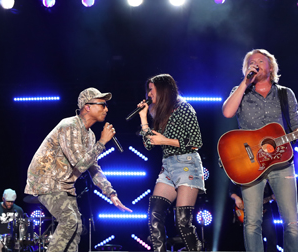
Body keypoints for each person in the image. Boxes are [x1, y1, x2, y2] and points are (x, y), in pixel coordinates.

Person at [222, 49, 298, 252]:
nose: (255, 64)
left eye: (260, 61)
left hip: (282, 164)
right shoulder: (241, 92)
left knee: (292, 221)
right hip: (251, 165)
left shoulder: (285, 93)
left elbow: (295, 126)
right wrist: (244, 83)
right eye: (251, 62)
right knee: (252, 222)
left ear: (270, 67)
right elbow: (227, 112)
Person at [25, 87, 132, 252]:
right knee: (69, 221)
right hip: (47, 181)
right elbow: (80, 164)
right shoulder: (69, 125)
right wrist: (102, 142)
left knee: (77, 227)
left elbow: (94, 168)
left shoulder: (90, 136)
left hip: (65, 184)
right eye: (102, 104)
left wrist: (111, 193)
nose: (106, 108)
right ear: (87, 107)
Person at [137, 74, 205, 252]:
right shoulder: (160, 113)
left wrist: (165, 140)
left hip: (187, 164)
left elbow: (196, 141)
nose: (149, 94)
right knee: (154, 215)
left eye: (151, 90)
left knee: (182, 223)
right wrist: (144, 118)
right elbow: (149, 144)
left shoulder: (184, 108)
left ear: (162, 89)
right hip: (167, 167)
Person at [230, 184, 277, 252]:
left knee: (271, 238)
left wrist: (274, 195)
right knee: (252, 239)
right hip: (249, 211)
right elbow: (231, 190)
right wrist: (237, 198)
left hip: (265, 211)